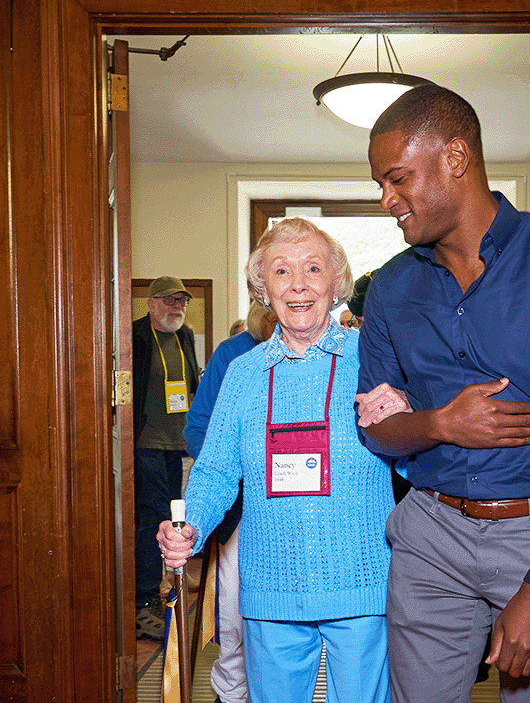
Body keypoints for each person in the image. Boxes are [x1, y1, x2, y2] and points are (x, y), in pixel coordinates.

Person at [356, 84, 530, 702]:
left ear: (455, 157)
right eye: (380, 186)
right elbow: (373, 423)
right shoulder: (391, 287)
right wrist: (442, 424)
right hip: (429, 532)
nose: (387, 201)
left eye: (397, 180)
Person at [159, 218, 396, 703]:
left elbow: (414, 451)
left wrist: (407, 410)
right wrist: (192, 526)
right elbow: (217, 469)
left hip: (362, 581)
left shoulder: (374, 358)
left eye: (313, 268)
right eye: (282, 272)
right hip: (271, 584)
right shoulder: (243, 374)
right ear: (263, 288)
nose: (299, 284)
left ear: (336, 283)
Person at [181, 300, 276, 703]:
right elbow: (199, 427)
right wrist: (232, 471)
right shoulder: (234, 356)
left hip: (305, 511)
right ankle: (232, 695)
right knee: (236, 619)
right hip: (240, 510)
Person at [133, 274, 201, 640]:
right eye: (170, 300)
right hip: (147, 443)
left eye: (182, 301)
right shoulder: (136, 337)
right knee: (153, 518)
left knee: (173, 518)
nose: (178, 307)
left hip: (178, 444)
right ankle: (144, 603)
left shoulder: (184, 336)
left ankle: (166, 586)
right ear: (152, 303)